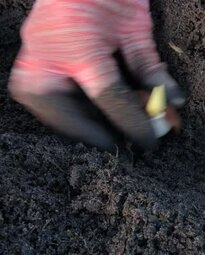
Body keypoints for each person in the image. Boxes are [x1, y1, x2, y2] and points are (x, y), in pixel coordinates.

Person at [8, 0, 185, 151]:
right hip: (49, 73)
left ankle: (129, 151)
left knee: (105, 124)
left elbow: (137, 42)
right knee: (106, 137)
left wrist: (156, 78)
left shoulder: (134, 5)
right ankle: (132, 155)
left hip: (72, 57)